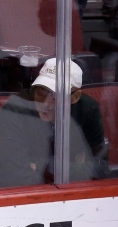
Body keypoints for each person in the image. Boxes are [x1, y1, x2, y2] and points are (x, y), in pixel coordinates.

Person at [0, 58, 108, 188]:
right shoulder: (16, 109)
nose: (46, 103)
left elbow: (100, 167)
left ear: (75, 97)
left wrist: (42, 168)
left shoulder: (88, 109)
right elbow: (15, 177)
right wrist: (76, 166)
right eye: (41, 91)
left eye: (57, 95)